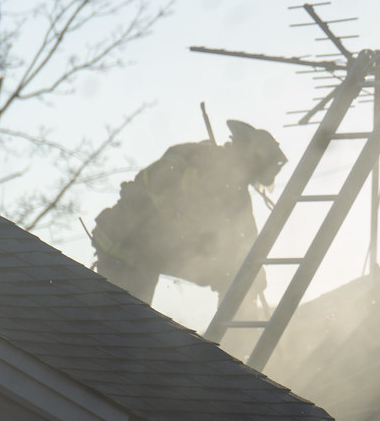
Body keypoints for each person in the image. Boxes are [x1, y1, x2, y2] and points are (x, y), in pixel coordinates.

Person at [92, 120, 287, 303]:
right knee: (124, 320)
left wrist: (252, 271)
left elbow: (247, 241)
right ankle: (235, 334)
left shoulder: (228, 183)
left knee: (236, 276)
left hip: (144, 246)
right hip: (130, 244)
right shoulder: (211, 171)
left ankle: (235, 332)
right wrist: (247, 274)